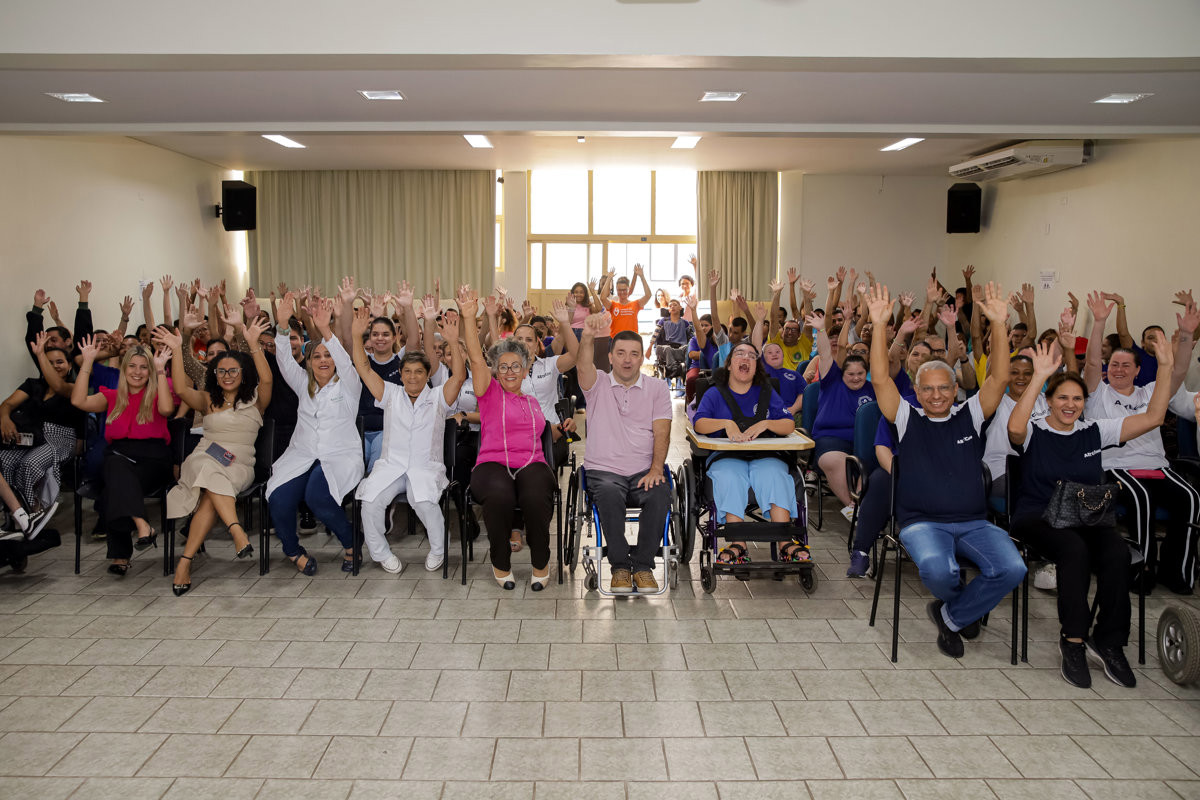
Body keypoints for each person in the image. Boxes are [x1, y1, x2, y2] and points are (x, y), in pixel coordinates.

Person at [867, 282, 1026, 658]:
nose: (936, 396)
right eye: (928, 389)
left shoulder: (970, 415)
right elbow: (879, 379)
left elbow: (1000, 379)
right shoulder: (906, 417)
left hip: (974, 522)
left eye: (944, 388)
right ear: (917, 392)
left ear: (955, 389)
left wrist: (1000, 324)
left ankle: (951, 616)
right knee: (940, 571)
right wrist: (877, 326)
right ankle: (961, 608)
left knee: (1012, 568)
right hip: (922, 523)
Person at [1008, 334, 1177, 689]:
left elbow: (1154, 416)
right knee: (1074, 550)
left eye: (1077, 399)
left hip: (1085, 516)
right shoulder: (1035, 428)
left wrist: (1164, 366)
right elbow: (1014, 428)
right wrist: (1039, 376)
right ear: (1049, 402)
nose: (1070, 405)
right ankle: (1073, 640)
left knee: (1117, 553)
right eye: (1062, 398)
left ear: (1086, 403)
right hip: (1038, 516)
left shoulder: (1094, 431)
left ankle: (1109, 640)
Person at [1081, 292, 1200, 594]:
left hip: (1157, 466)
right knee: (1141, 499)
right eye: (1115, 365)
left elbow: (1179, 371)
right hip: (1118, 468)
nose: (1118, 370)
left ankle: (1178, 573)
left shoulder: (1150, 392)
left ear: (1137, 370)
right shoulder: (1099, 394)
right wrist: (1098, 323)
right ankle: (1140, 572)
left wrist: (1186, 334)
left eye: (1125, 366)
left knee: (1192, 498)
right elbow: (1093, 363)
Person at [154, 315, 273, 596]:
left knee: (211, 491)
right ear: (214, 375)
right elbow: (182, 389)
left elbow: (267, 378)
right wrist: (179, 347)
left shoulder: (256, 400)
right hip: (205, 456)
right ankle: (235, 529)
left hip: (239, 466)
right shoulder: (207, 399)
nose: (227, 376)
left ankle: (185, 562)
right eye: (221, 371)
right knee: (207, 468)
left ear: (242, 374)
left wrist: (254, 344)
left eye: (233, 371)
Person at [351, 305, 467, 574]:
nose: (413, 377)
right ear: (400, 374)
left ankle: (439, 548)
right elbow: (363, 367)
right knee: (369, 501)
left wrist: (451, 341)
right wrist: (357, 337)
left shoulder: (438, 397)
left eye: (419, 372)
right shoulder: (390, 393)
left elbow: (459, 376)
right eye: (408, 372)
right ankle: (381, 553)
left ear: (427, 375)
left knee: (423, 501)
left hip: (425, 466)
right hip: (391, 465)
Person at [460, 286, 557, 591]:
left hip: (532, 462)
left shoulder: (532, 402)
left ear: (527, 368)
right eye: (504, 367)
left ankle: (541, 561)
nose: (511, 370)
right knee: (500, 495)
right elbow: (476, 360)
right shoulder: (490, 394)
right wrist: (467, 316)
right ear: (497, 372)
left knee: (535, 494)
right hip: (492, 463)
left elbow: (545, 433)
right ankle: (501, 563)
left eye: (516, 365)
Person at [575, 311, 673, 592]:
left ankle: (642, 567)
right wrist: (589, 337)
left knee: (659, 493)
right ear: (610, 357)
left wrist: (656, 469)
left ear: (642, 357)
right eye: (620, 353)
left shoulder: (657, 388)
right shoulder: (598, 384)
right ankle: (619, 567)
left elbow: (662, 431)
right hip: (604, 469)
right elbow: (583, 366)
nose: (627, 359)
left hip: (644, 469)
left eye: (633, 353)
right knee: (607, 494)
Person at [266, 295, 363, 575]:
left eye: (328, 355)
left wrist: (326, 331)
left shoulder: (349, 386)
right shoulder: (302, 385)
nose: (323, 360)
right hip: (303, 455)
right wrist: (283, 325)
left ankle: (351, 542)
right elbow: (284, 360)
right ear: (308, 362)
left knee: (317, 497)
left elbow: (347, 363)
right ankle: (293, 551)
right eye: (316, 356)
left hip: (339, 455)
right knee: (279, 498)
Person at [70, 336, 177, 576]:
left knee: (113, 473)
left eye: (143, 367)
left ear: (149, 371)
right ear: (123, 368)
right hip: (120, 458)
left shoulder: (159, 393)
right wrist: (87, 362)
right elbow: (78, 400)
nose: (137, 372)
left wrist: (160, 371)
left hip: (153, 461)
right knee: (113, 477)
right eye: (132, 366)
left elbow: (168, 410)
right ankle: (141, 525)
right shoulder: (111, 395)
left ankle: (121, 553)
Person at [693, 341, 805, 566]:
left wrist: (766, 424)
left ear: (757, 365)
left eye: (752, 356)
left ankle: (785, 541)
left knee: (774, 473)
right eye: (740, 354)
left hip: (765, 455)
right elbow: (699, 423)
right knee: (729, 475)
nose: (745, 359)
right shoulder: (715, 393)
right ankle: (737, 543)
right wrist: (726, 424)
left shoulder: (767, 392)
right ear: (730, 364)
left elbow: (788, 425)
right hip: (726, 457)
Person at [1, 333, 84, 539]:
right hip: (32, 437)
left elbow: (58, 386)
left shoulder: (73, 388)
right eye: (49, 362)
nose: (55, 366)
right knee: (5, 460)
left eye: (60, 362)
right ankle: (13, 514)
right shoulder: (33, 385)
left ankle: (32, 513)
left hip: (61, 438)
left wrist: (40, 355)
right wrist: (5, 418)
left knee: (30, 464)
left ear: (69, 365)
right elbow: (8, 404)